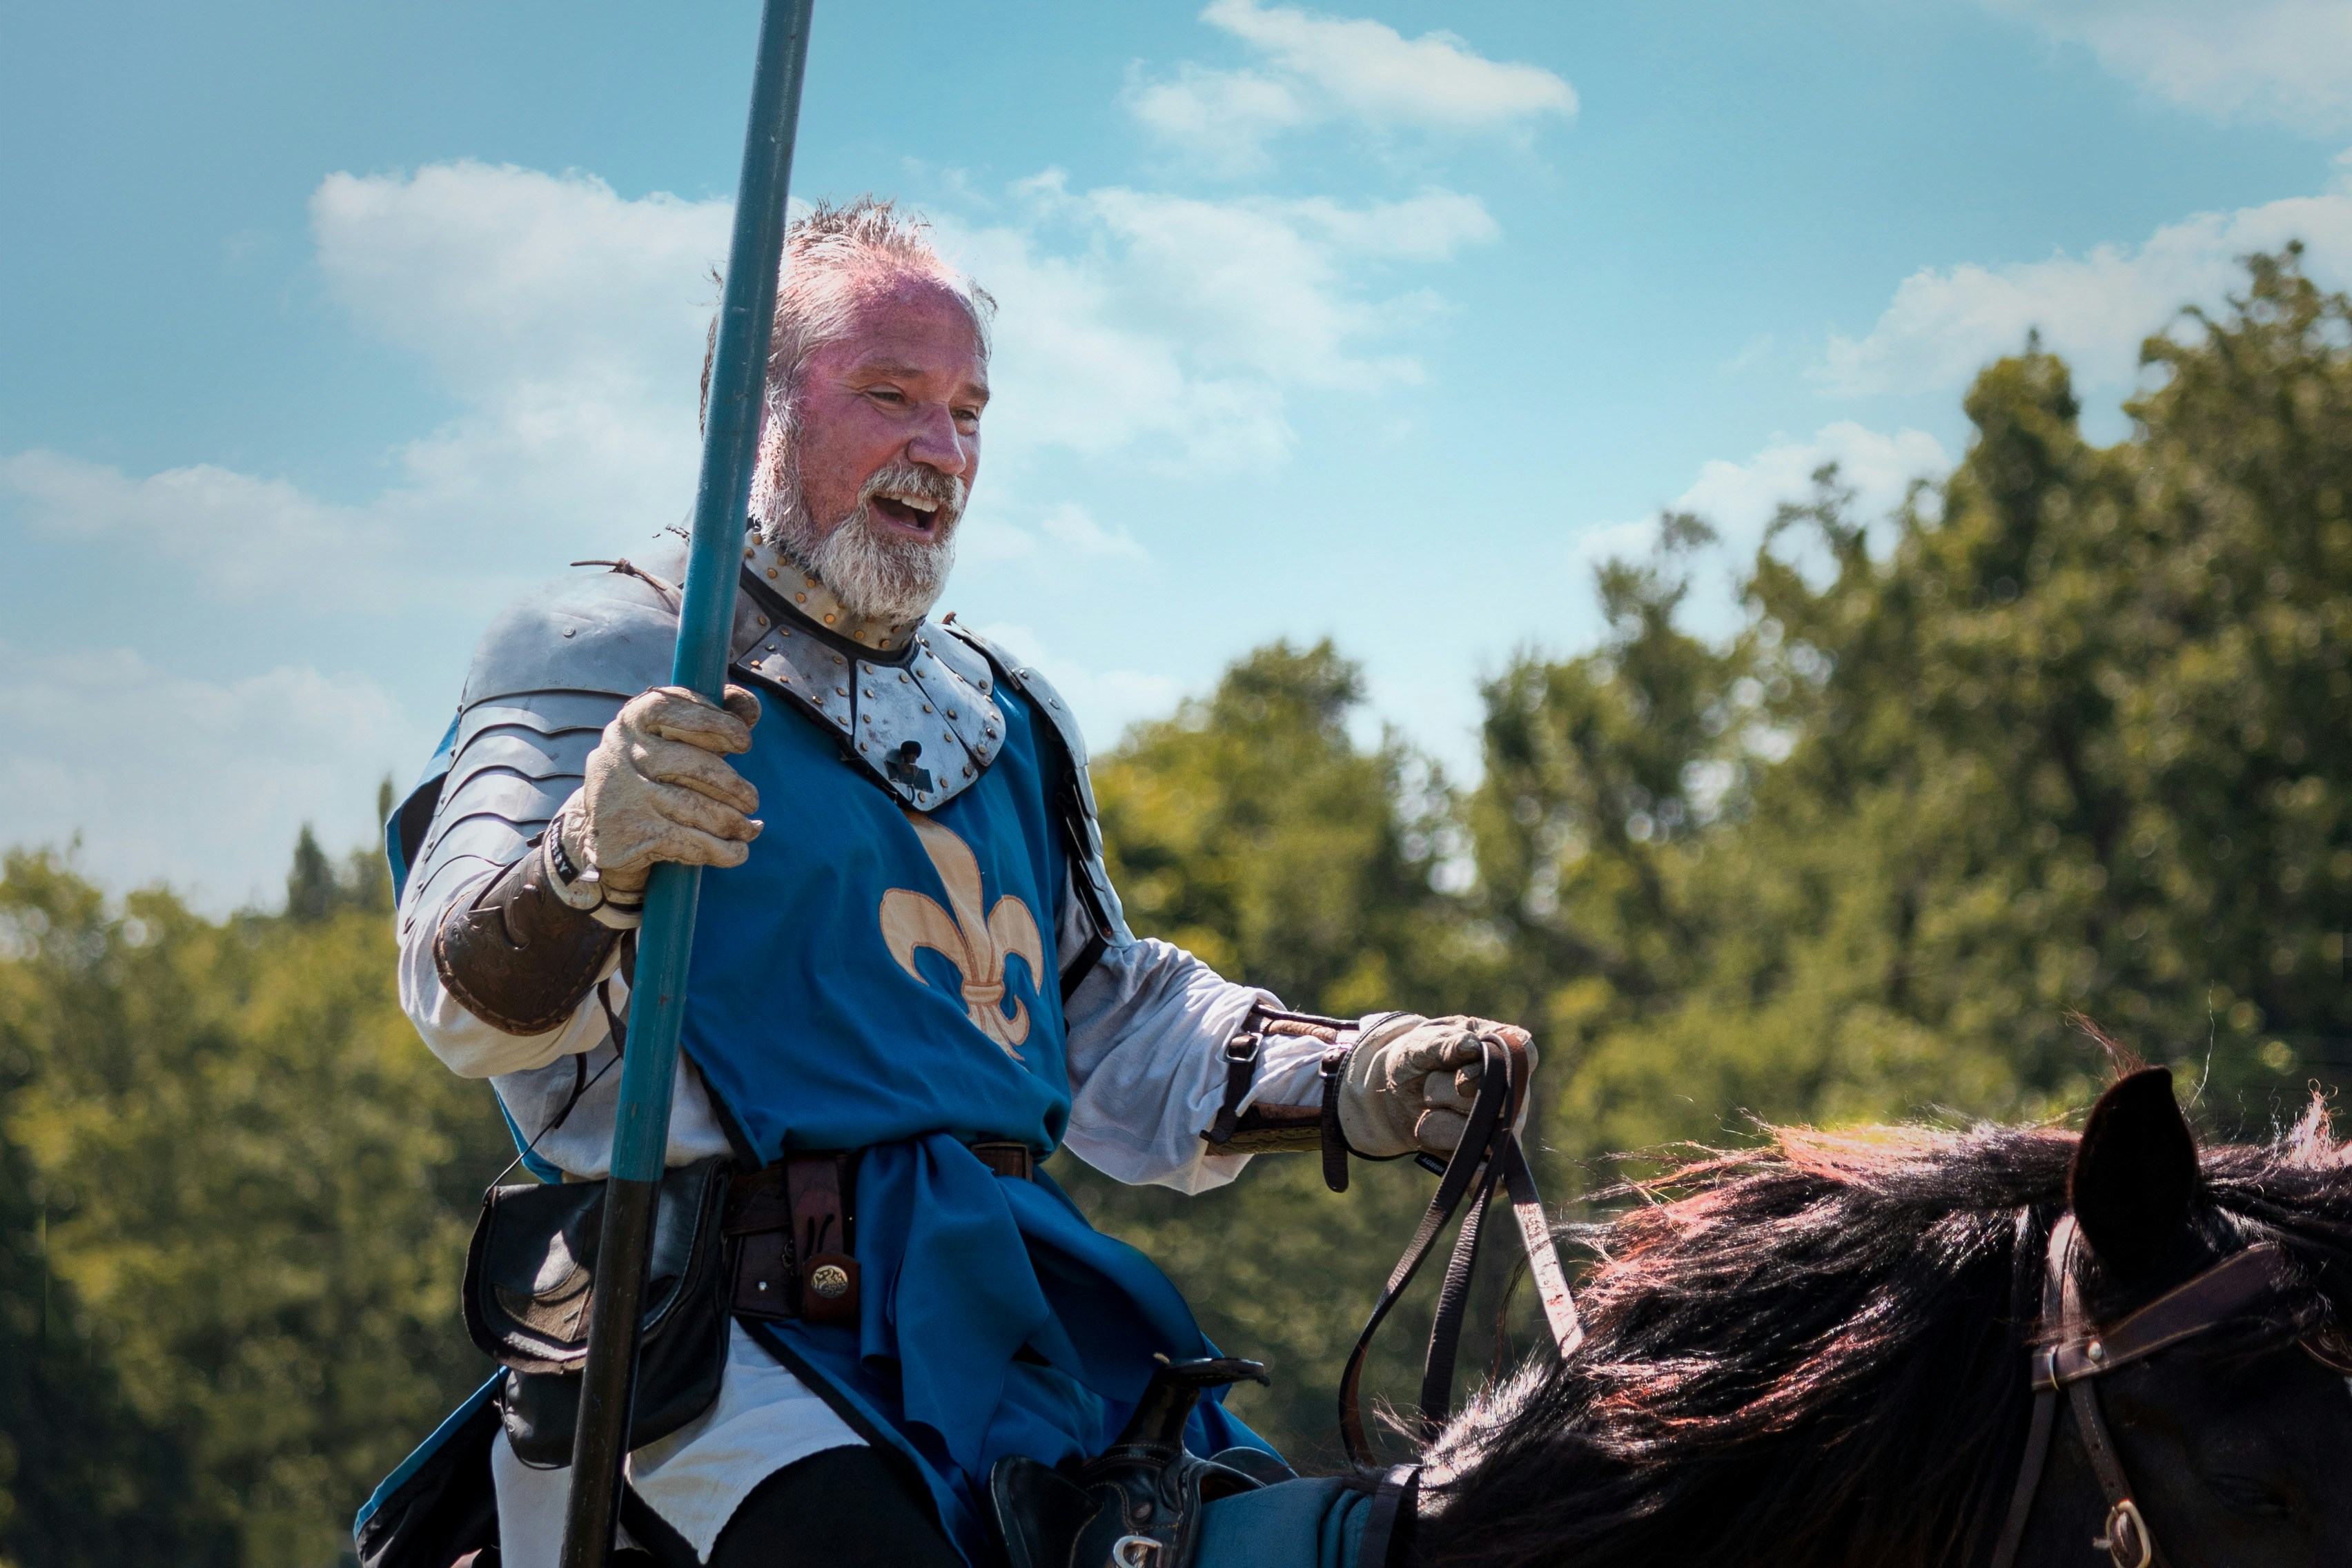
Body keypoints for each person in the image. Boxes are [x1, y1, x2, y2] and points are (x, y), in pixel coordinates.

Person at [378, 197, 1533, 1568]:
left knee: (1322, 1544)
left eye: (970, 410)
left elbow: (1102, 1016)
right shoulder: (604, 645)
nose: (943, 450)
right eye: (891, 396)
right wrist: (594, 848)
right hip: (728, 1348)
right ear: (753, 417)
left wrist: (1347, 1072)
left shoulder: (1003, 713)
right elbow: (464, 996)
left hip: (1019, 1317)